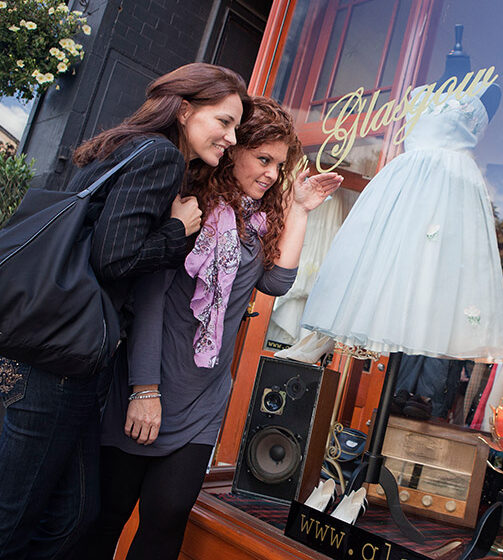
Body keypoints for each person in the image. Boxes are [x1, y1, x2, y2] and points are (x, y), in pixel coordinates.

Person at [0, 62, 252, 560]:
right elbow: (114, 258)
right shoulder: (160, 156)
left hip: (55, 357)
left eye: (236, 128)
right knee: (15, 515)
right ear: (184, 110)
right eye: (223, 121)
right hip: (58, 363)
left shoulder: (129, 147)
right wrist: (178, 231)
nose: (230, 138)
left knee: (73, 516)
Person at [74, 97, 342, 559]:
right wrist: (144, 389)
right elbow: (150, 301)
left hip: (204, 397)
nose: (272, 174)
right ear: (235, 149)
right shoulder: (189, 209)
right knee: (106, 518)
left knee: (167, 520)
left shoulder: (255, 222)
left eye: (279, 165)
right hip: (147, 384)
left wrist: (298, 210)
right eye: (264, 159)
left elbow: (276, 281)